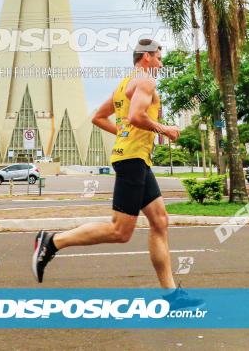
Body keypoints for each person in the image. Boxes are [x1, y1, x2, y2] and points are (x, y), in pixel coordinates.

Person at [32, 40, 198, 303]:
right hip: (132, 159)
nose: (161, 64)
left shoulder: (124, 84)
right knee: (120, 231)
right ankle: (52, 242)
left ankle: (171, 294)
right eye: (158, 58)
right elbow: (135, 117)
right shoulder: (145, 80)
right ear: (145, 57)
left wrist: (123, 133)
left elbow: (99, 117)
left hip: (137, 159)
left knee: (160, 221)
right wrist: (165, 129)